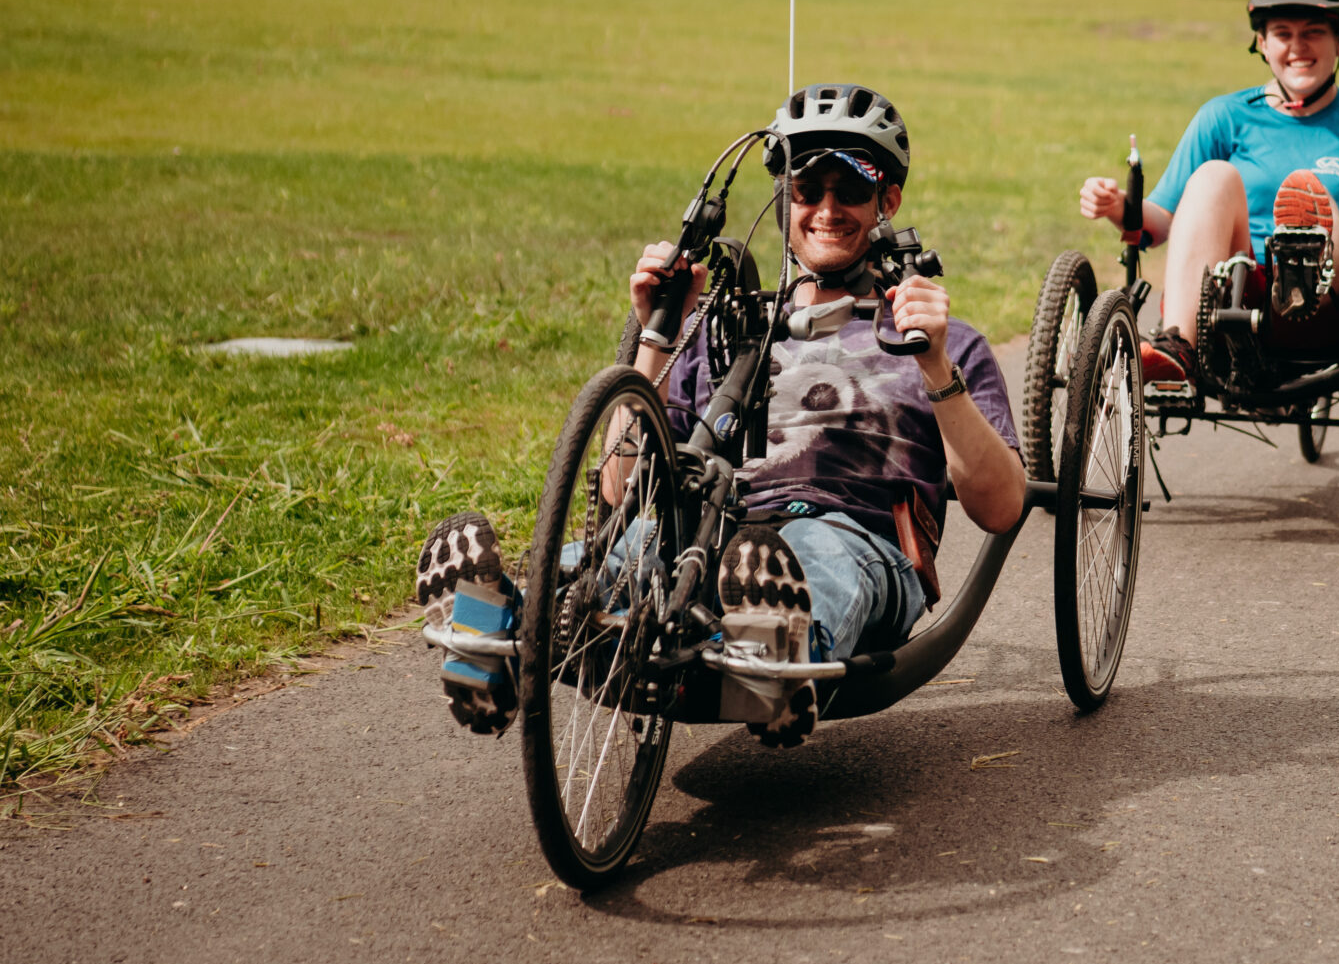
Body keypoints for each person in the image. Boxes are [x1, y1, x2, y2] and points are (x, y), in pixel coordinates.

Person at [416, 83, 1024, 745]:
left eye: (848, 187)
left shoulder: (943, 338)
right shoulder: (726, 329)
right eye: (805, 186)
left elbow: (1001, 506)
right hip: (712, 537)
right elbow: (621, 492)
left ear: (888, 200)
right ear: (783, 197)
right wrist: (656, 333)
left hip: (856, 535)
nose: (826, 207)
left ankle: (781, 654)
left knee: (817, 554)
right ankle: (492, 624)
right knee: (620, 552)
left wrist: (935, 367)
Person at [1077, 0, 1339, 385]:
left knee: (1308, 189)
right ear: (1261, 42)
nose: (1298, 47)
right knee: (1213, 177)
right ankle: (1180, 345)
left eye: (1313, 32)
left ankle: (1298, 277)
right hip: (1235, 300)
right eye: (1283, 34)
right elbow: (1161, 222)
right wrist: (1118, 207)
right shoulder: (1224, 117)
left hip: (1333, 310)